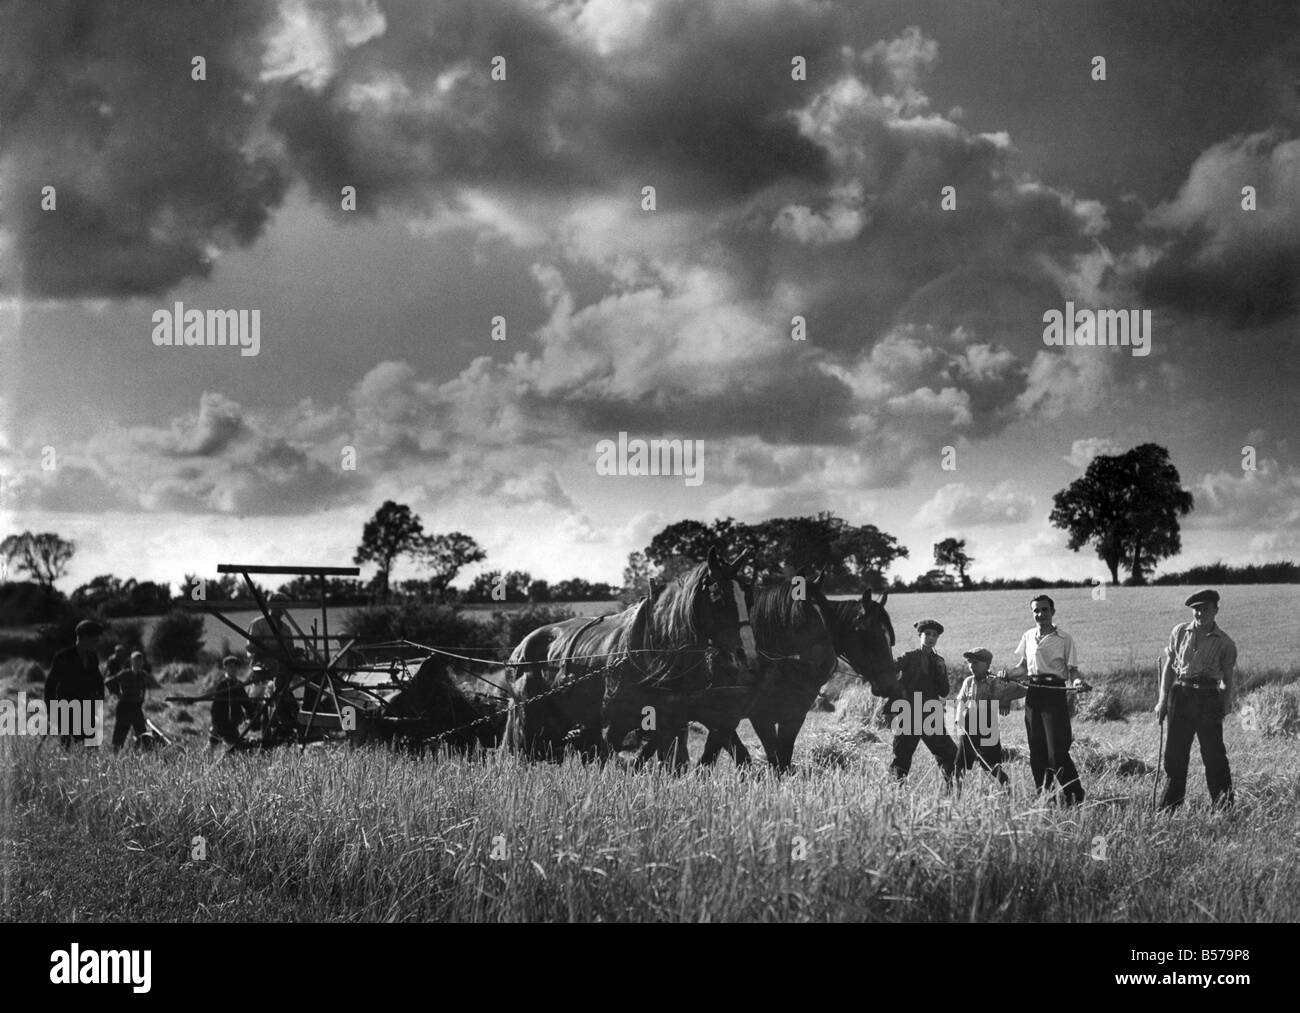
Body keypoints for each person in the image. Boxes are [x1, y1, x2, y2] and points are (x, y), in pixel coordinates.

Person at [1154, 589, 1236, 811]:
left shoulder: (1225, 643)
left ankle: (1224, 809)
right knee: (1174, 756)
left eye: (1205, 609)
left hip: (1209, 698)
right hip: (1180, 695)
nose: (1200, 614)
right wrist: (1162, 700)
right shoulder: (1179, 632)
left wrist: (1225, 705)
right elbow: (1169, 669)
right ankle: (1168, 809)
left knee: (1214, 755)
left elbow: (1227, 680)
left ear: (1216, 610)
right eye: (1196, 610)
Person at [1007, 595, 1086, 804]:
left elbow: (1073, 671)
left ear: (1053, 612)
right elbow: (1022, 668)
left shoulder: (1064, 638)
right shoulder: (1028, 636)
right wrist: (1006, 674)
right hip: (1033, 692)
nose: (1040, 614)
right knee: (1037, 749)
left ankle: (1075, 796)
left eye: (1044, 610)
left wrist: (1077, 683)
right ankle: (1045, 796)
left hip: (1054, 692)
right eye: (1036, 611)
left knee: (1057, 750)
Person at [887, 619, 957, 784]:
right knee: (902, 756)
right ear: (920, 635)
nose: (931, 638)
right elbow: (889, 671)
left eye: (935, 635)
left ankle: (951, 790)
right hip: (907, 713)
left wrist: (941, 671)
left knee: (949, 753)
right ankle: (895, 792)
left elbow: (944, 691)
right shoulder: (909, 657)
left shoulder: (939, 661)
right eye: (927, 634)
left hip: (930, 714)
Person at [953, 648, 1026, 786]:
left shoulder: (997, 681)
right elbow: (960, 700)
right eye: (969, 662)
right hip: (969, 723)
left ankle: (1007, 787)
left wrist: (1007, 698)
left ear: (987, 664)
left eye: (976, 662)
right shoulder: (968, 681)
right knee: (960, 763)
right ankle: (955, 792)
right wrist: (958, 718)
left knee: (991, 764)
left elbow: (1022, 690)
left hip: (988, 724)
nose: (971, 666)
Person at [43, 619, 106, 749]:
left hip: (87, 709)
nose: (98, 643)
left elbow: (98, 678)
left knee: (92, 749)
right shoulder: (63, 657)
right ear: (85, 638)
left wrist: (100, 696)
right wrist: (51, 710)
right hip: (67, 709)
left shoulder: (92, 657)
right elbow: (50, 685)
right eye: (95, 639)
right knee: (69, 749)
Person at [246, 593, 297, 738]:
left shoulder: (286, 628)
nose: (281, 610)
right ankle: (262, 724)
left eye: (283, 607)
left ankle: (290, 719)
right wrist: (271, 650)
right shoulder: (258, 624)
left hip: (282, 670)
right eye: (279, 606)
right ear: (270, 606)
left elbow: (290, 649)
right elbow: (251, 647)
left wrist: (294, 652)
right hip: (263, 669)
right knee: (267, 701)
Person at [107, 650, 156, 751]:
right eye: (136, 661)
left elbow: (149, 686)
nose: (138, 663)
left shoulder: (143, 675)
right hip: (124, 707)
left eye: (140, 661)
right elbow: (109, 682)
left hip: (136, 707)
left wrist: (143, 698)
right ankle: (115, 755)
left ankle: (145, 753)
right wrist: (117, 693)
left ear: (142, 663)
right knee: (120, 733)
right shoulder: (125, 674)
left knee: (142, 733)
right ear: (131, 662)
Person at [210, 655, 252, 750]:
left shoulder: (239, 684)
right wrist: (214, 723)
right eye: (230, 667)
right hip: (222, 721)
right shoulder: (222, 684)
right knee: (215, 745)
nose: (233, 669)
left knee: (236, 747)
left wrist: (252, 713)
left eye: (235, 667)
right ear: (226, 668)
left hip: (234, 721)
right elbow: (215, 707)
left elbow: (246, 702)